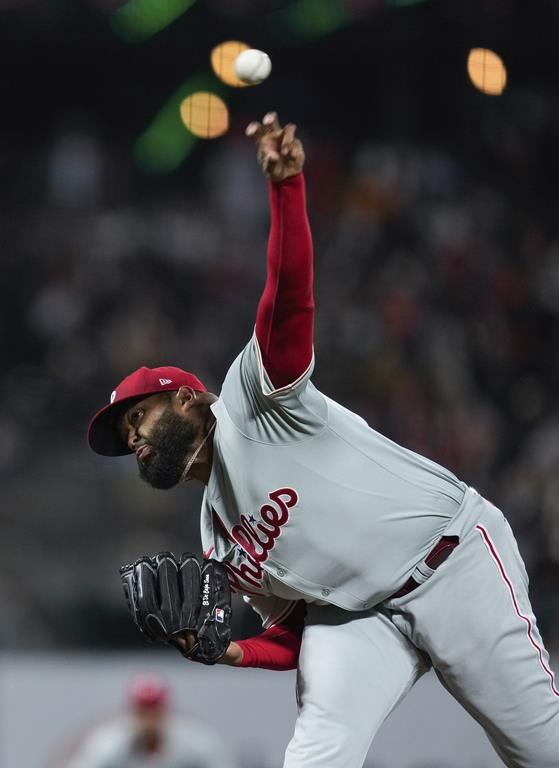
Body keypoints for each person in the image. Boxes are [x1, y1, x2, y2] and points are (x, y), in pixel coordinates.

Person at [88, 112, 559, 768]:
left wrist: (286, 191)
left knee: (541, 752)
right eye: (124, 436)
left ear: (189, 397)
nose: (134, 438)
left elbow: (287, 304)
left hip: (452, 564)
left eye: (138, 418)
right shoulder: (216, 534)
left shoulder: (251, 402)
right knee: (314, 756)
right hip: (361, 619)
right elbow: (293, 635)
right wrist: (228, 650)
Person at [62, 674, 230, 768]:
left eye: (154, 711)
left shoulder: (195, 742)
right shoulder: (109, 744)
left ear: (165, 710)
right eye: (143, 712)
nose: (149, 720)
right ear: (132, 713)